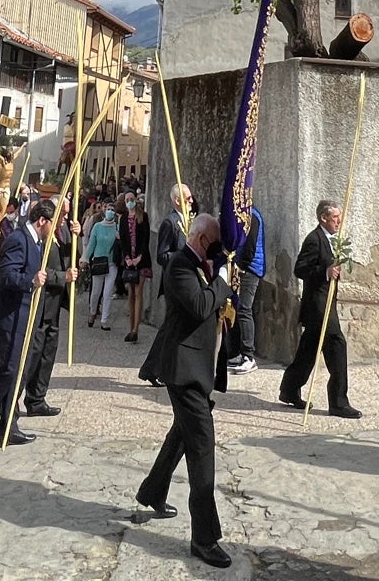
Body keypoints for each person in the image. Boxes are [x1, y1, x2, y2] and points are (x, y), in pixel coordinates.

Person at [136, 212, 232, 570]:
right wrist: (221, 280)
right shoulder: (179, 265)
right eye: (216, 243)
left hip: (198, 370)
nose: (219, 251)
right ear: (203, 239)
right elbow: (201, 305)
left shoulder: (200, 264)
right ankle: (203, 539)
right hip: (184, 372)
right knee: (202, 449)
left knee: (182, 435)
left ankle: (152, 491)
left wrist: (218, 280)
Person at [0, 197, 56, 450]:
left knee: (17, 374)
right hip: (9, 318)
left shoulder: (37, 242)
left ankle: (8, 427)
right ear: (42, 221)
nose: (53, 232)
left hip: (25, 317)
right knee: (8, 371)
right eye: (52, 226)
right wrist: (31, 280)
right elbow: (7, 275)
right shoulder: (18, 239)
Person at [279, 199, 361, 418]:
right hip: (318, 306)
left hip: (327, 303)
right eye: (335, 218)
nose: (339, 221)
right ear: (323, 218)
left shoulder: (333, 240)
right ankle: (338, 402)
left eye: (339, 217)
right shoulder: (314, 240)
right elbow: (300, 269)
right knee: (337, 346)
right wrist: (325, 271)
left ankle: (289, 389)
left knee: (308, 350)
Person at [23, 217, 79, 418]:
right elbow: (40, 270)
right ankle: (16, 397)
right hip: (42, 303)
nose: (64, 219)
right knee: (34, 354)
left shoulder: (61, 234)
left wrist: (75, 238)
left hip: (54, 304)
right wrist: (62, 277)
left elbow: (69, 259)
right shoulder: (41, 238)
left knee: (48, 353)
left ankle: (37, 398)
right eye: (61, 215)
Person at [227, 202, 264, 373]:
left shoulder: (252, 217)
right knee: (237, 308)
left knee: (244, 310)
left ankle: (249, 356)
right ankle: (239, 353)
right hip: (242, 267)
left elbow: (250, 246)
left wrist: (240, 266)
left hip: (249, 269)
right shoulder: (244, 216)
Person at [114, 193, 151, 344]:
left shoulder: (143, 216)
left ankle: (136, 328)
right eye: (127, 200)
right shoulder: (123, 219)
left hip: (141, 260)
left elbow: (146, 237)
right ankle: (130, 329)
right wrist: (128, 257)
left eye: (131, 199)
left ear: (135, 200)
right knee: (130, 294)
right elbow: (122, 239)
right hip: (129, 260)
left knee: (138, 292)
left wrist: (139, 257)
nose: (129, 202)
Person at [153, 183, 191, 305]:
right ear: (178, 200)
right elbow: (161, 256)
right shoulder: (170, 223)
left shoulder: (190, 219)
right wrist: (183, 258)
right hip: (175, 281)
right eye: (188, 198)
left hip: (189, 279)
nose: (191, 201)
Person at [84, 201, 119, 331]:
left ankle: (104, 320)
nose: (110, 211)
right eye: (108, 209)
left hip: (111, 263)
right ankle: (93, 312)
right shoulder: (97, 226)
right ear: (104, 211)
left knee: (108, 292)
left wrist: (120, 238)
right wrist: (85, 259)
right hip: (98, 261)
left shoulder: (117, 227)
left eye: (112, 209)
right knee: (96, 291)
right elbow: (91, 244)